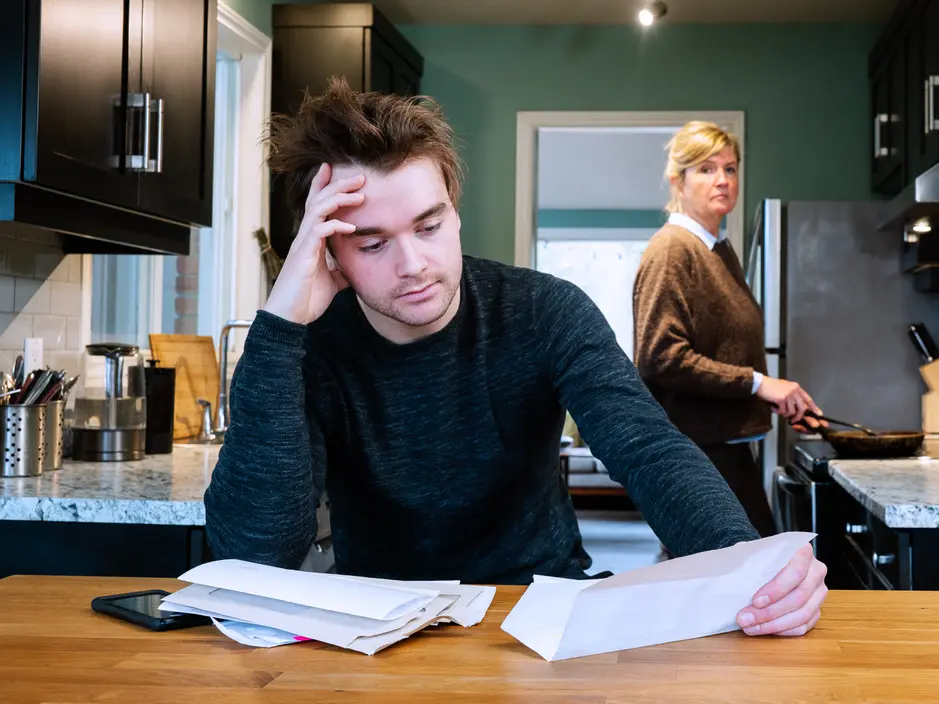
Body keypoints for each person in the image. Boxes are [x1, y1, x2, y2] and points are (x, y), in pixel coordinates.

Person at [203, 80, 827, 638]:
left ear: (454, 206)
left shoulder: (544, 311)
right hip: (379, 623)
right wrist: (280, 325)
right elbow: (256, 554)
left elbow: (647, 447)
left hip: (542, 608)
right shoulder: (307, 345)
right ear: (331, 253)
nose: (414, 264)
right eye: (372, 243)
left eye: (429, 225)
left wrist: (753, 568)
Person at [632, 121, 822, 538]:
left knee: (753, 583)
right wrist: (758, 385)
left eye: (730, 169)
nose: (722, 180)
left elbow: (723, 350)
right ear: (677, 180)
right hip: (697, 456)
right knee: (757, 581)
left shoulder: (716, 251)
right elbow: (660, 357)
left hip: (723, 450)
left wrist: (773, 396)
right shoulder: (673, 251)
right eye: (706, 168)